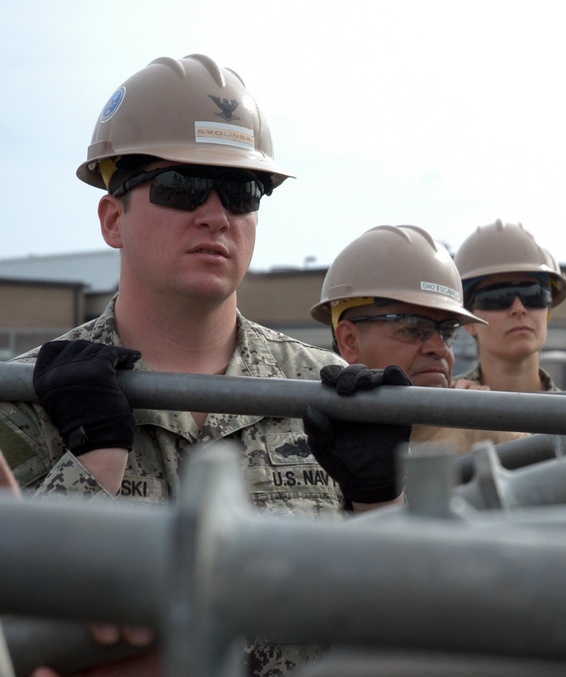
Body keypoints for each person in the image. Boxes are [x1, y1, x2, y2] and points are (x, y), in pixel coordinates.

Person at [0, 54, 406, 677]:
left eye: (241, 192)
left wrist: (382, 504)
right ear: (113, 219)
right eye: (181, 185)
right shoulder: (27, 401)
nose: (215, 214)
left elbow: (407, 620)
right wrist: (90, 467)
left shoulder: (328, 397)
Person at [310, 224, 528, 452]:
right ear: (350, 341)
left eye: (447, 331)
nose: (440, 348)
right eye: (413, 329)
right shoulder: (305, 439)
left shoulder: (493, 436)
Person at [453, 219, 566, 392]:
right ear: (469, 321)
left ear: (548, 312)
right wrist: (452, 416)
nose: (519, 309)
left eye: (534, 295)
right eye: (497, 297)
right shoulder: (432, 407)